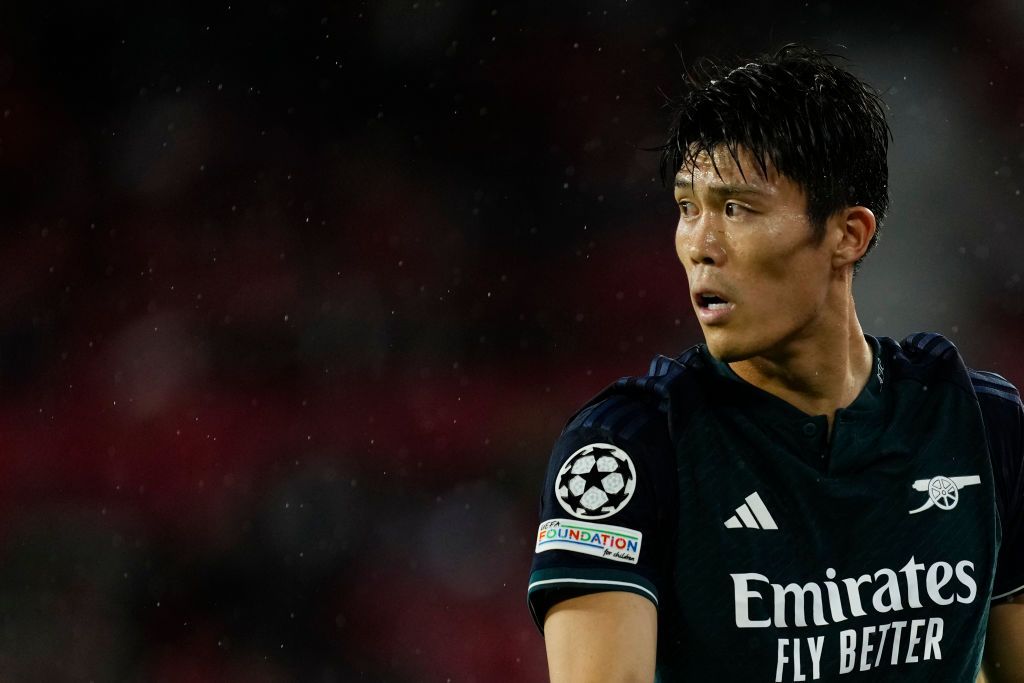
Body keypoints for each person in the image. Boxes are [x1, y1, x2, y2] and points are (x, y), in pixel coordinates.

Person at [527, 45, 1023, 682]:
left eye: (737, 208)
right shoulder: (627, 450)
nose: (700, 246)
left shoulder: (979, 426)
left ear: (849, 235)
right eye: (687, 208)